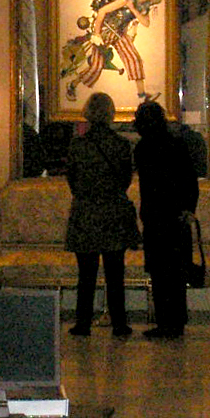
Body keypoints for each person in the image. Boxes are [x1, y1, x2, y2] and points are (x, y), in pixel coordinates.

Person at [64, 93, 140, 338]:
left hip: (85, 212)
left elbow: (72, 180)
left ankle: (83, 322)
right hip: (112, 212)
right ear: (110, 113)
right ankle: (119, 323)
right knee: (114, 273)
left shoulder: (78, 145)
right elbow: (125, 180)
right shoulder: (120, 145)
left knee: (85, 274)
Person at [133, 99, 198, 339]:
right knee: (177, 273)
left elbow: (148, 186)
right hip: (177, 215)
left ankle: (164, 323)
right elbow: (190, 180)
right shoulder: (177, 144)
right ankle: (177, 322)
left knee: (160, 273)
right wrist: (189, 209)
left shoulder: (142, 149)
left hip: (154, 216)